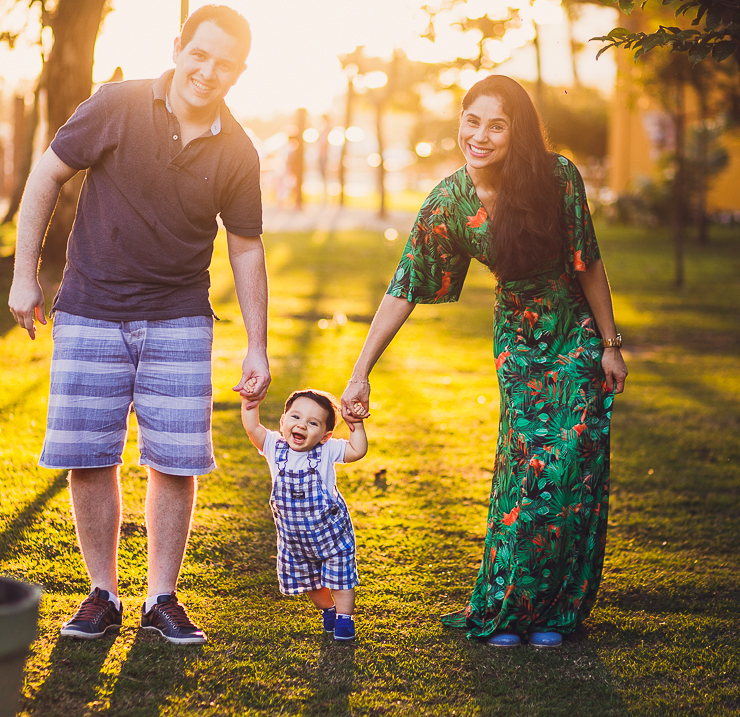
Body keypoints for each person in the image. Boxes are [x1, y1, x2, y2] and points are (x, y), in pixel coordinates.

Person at [8, 4, 269, 645]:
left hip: (179, 317)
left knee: (175, 464)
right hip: (90, 308)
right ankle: (102, 593)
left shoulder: (238, 150)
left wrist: (257, 344)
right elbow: (46, 175)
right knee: (91, 457)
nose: (208, 71)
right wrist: (24, 275)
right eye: (200, 54)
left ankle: (161, 597)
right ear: (179, 47)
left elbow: (245, 248)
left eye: (225, 64)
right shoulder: (116, 104)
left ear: (239, 73)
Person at [341, 75, 627, 649]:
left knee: (573, 472)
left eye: (497, 125)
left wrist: (610, 344)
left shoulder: (558, 178)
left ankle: (556, 614)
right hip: (518, 341)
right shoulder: (449, 200)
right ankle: (510, 609)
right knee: (525, 474)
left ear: (517, 132)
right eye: (473, 121)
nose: (481, 135)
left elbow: (587, 262)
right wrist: (360, 370)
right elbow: (405, 286)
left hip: (574, 333)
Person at [241, 387, 367, 641]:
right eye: (295, 417)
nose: (301, 426)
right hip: (296, 541)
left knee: (341, 580)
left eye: (313, 423)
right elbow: (253, 429)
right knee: (311, 585)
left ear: (324, 435)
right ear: (283, 421)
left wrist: (357, 426)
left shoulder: (327, 450)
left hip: (331, 535)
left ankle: (344, 619)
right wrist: (250, 405)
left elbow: (357, 451)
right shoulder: (273, 446)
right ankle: (328, 611)